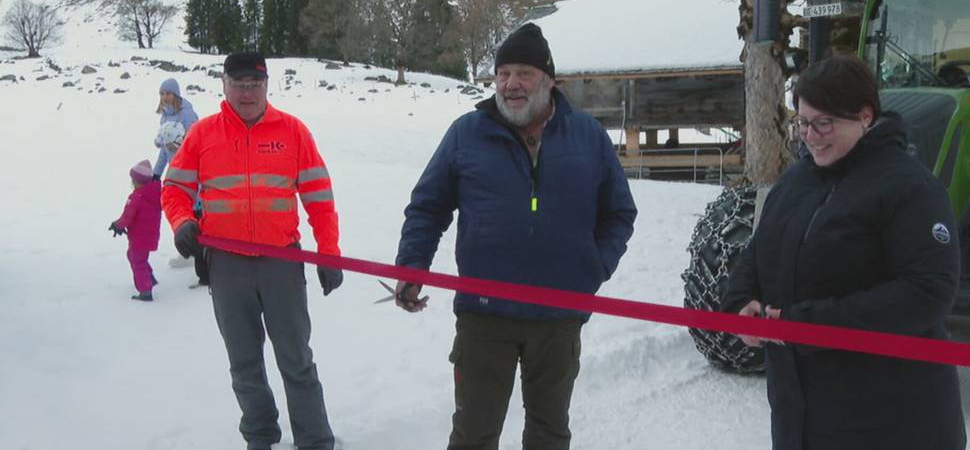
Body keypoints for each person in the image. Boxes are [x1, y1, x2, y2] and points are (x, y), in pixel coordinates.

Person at [394, 23, 638, 450]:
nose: (511, 85)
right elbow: (428, 207)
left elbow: (619, 212)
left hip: (559, 318)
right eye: (503, 74)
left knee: (548, 432)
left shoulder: (588, 137)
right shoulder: (466, 133)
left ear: (548, 80)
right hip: (484, 316)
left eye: (523, 73)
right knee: (474, 433)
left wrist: (593, 268)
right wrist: (412, 266)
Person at [722, 55, 966, 450]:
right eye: (802, 123)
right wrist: (741, 299)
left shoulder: (909, 188)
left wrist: (809, 323)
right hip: (801, 415)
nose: (811, 135)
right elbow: (762, 247)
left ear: (865, 117)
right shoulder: (796, 180)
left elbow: (926, 295)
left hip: (889, 419)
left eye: (825, 123)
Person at [161, 51, 344, 450]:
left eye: (255, 85)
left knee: (296, 359)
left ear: (267, 85)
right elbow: (174, 187)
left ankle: (315, 441)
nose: (247, 93)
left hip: (282, 261)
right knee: (244, 363)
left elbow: (319, 197)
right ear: (223, 86)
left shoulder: (293, 131)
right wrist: (183, 222)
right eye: (239, 85)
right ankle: (260, 437)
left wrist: (329, 253)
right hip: (227, 267)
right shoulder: (203, 134)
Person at [153, 77, 205, 284]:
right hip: (176, 175)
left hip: (194, 175)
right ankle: (188, 253)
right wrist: (157, 173)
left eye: (168, 93)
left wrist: (181, 145)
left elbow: (197, 145)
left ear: (176, 95)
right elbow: (165, 151)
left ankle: (204, 261)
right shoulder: (164, 118)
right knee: (180, 215)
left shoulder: (188, 115)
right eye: (162, 93)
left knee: (197, 216)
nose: (165, 97)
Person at [109, 159, 162, 302]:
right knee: (137, 257)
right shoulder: (155, 194)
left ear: (138, 181)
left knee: (137, 261)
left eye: (133, 181)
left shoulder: (137, 197)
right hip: (149, 235)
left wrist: (118, 225)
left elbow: (128, 216)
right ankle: (149, 278)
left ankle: (145, 290)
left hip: (139, 236)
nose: (132, 184)